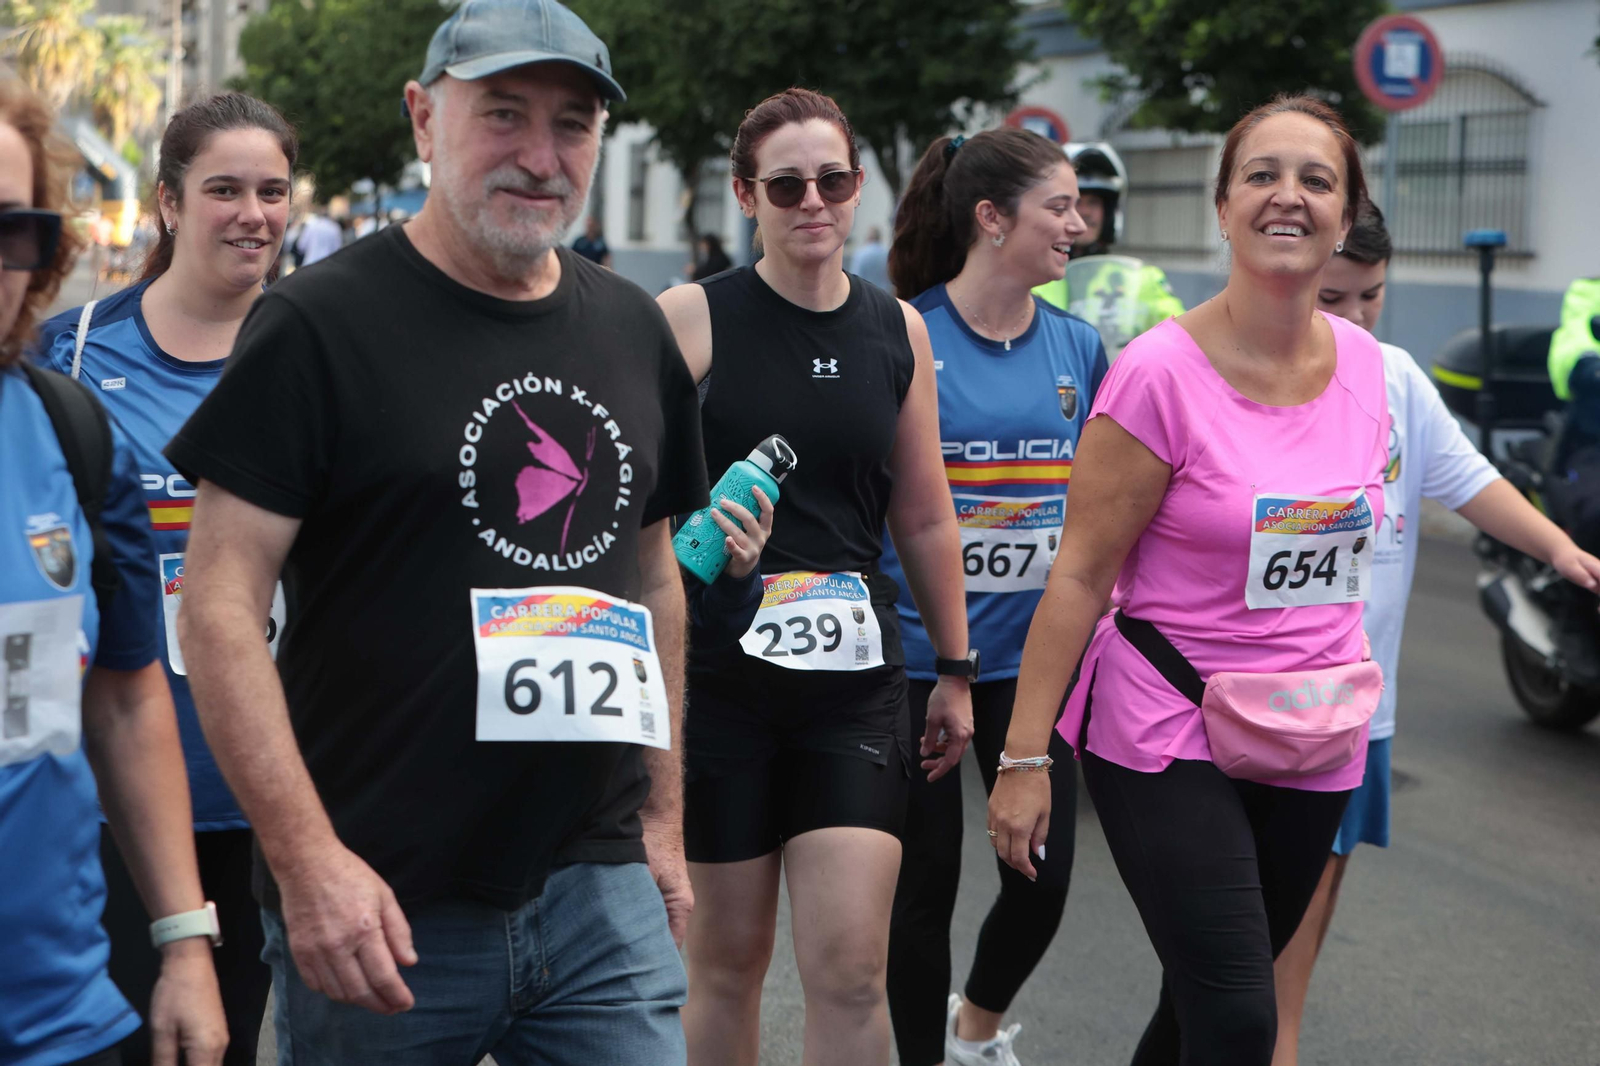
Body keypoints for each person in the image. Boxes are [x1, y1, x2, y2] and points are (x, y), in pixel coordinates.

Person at [163, 2, 707, 1062]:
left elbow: (652, 582)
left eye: (572, 125)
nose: (540, 157)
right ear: (422, 117)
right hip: (380, 903)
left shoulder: (632, 329)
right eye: (503, 114)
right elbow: (219, 603)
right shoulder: (317, 325)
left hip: (596, 887)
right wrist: (307, 858)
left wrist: (663, 820)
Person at [990, 95, 1388, 1066]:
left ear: (1345, 213)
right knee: (1241, 1016)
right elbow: (1080, 575)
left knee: (1198, 1008)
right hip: (1169, 726)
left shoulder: (1369, 367)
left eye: (1315, 179)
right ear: (1222, 206)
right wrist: (1024, 755)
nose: (1287, 197)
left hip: (1315, 726)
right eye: (1261, 174)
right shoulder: (1158, 375)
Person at [656, 87, 974, 1066]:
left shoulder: (897, 331)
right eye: (784, 184)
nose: (811, 201)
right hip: (719, 685)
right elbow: (631, 512)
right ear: (748, 194)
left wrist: (955, 667)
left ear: (858, 186)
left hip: (851, 688)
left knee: (850, 970)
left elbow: (922, 513)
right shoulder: (690, 318)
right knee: (726, 963)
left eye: (830, 179)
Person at [1269, 201, 1600, 1066]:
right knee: (1244, 916)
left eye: (1370, 297)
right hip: (1257, 694)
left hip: (1355, 704)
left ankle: (1282, 1041)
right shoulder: (1252, 375)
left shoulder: (1396, 378)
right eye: (1334, 296)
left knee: (1316, 891)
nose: (1352, 317)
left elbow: (1467, 478)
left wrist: (1566, 550)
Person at [35, 92, 298, 1066]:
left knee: (225, 1041)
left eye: (272, 190)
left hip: (273, 792)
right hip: (113, 795)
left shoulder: (314, 352)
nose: (253, 213)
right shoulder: (74, 351)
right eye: (223, 189)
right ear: (168, 205)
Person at [0, 75, 228, 1066]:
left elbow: (127, 697)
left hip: (61, 1019)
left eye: (13, 229)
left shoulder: (69, 431)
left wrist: (183, 941)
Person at [879, 127, 1106, 1066]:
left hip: (1032, 667)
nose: (1079, 226)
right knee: (921, 888)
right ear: (990, 217)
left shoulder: (1080, 349)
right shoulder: (906, 335)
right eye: (1059, 206)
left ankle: (972, 1033)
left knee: (1040, 883)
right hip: (916, 662)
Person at [1031, 143, 1184, 359]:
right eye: (1076, 203)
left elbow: (1184, 337)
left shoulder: (1139, 279)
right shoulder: (1034, 276)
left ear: (1110, 213)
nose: (1084, 212)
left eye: (1093, 202)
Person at [851, 224, 891, 291]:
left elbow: (855, 275)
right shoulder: (886, 253)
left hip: (865, 293)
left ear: (868, 237)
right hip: (884, 293)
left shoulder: (861, 253)